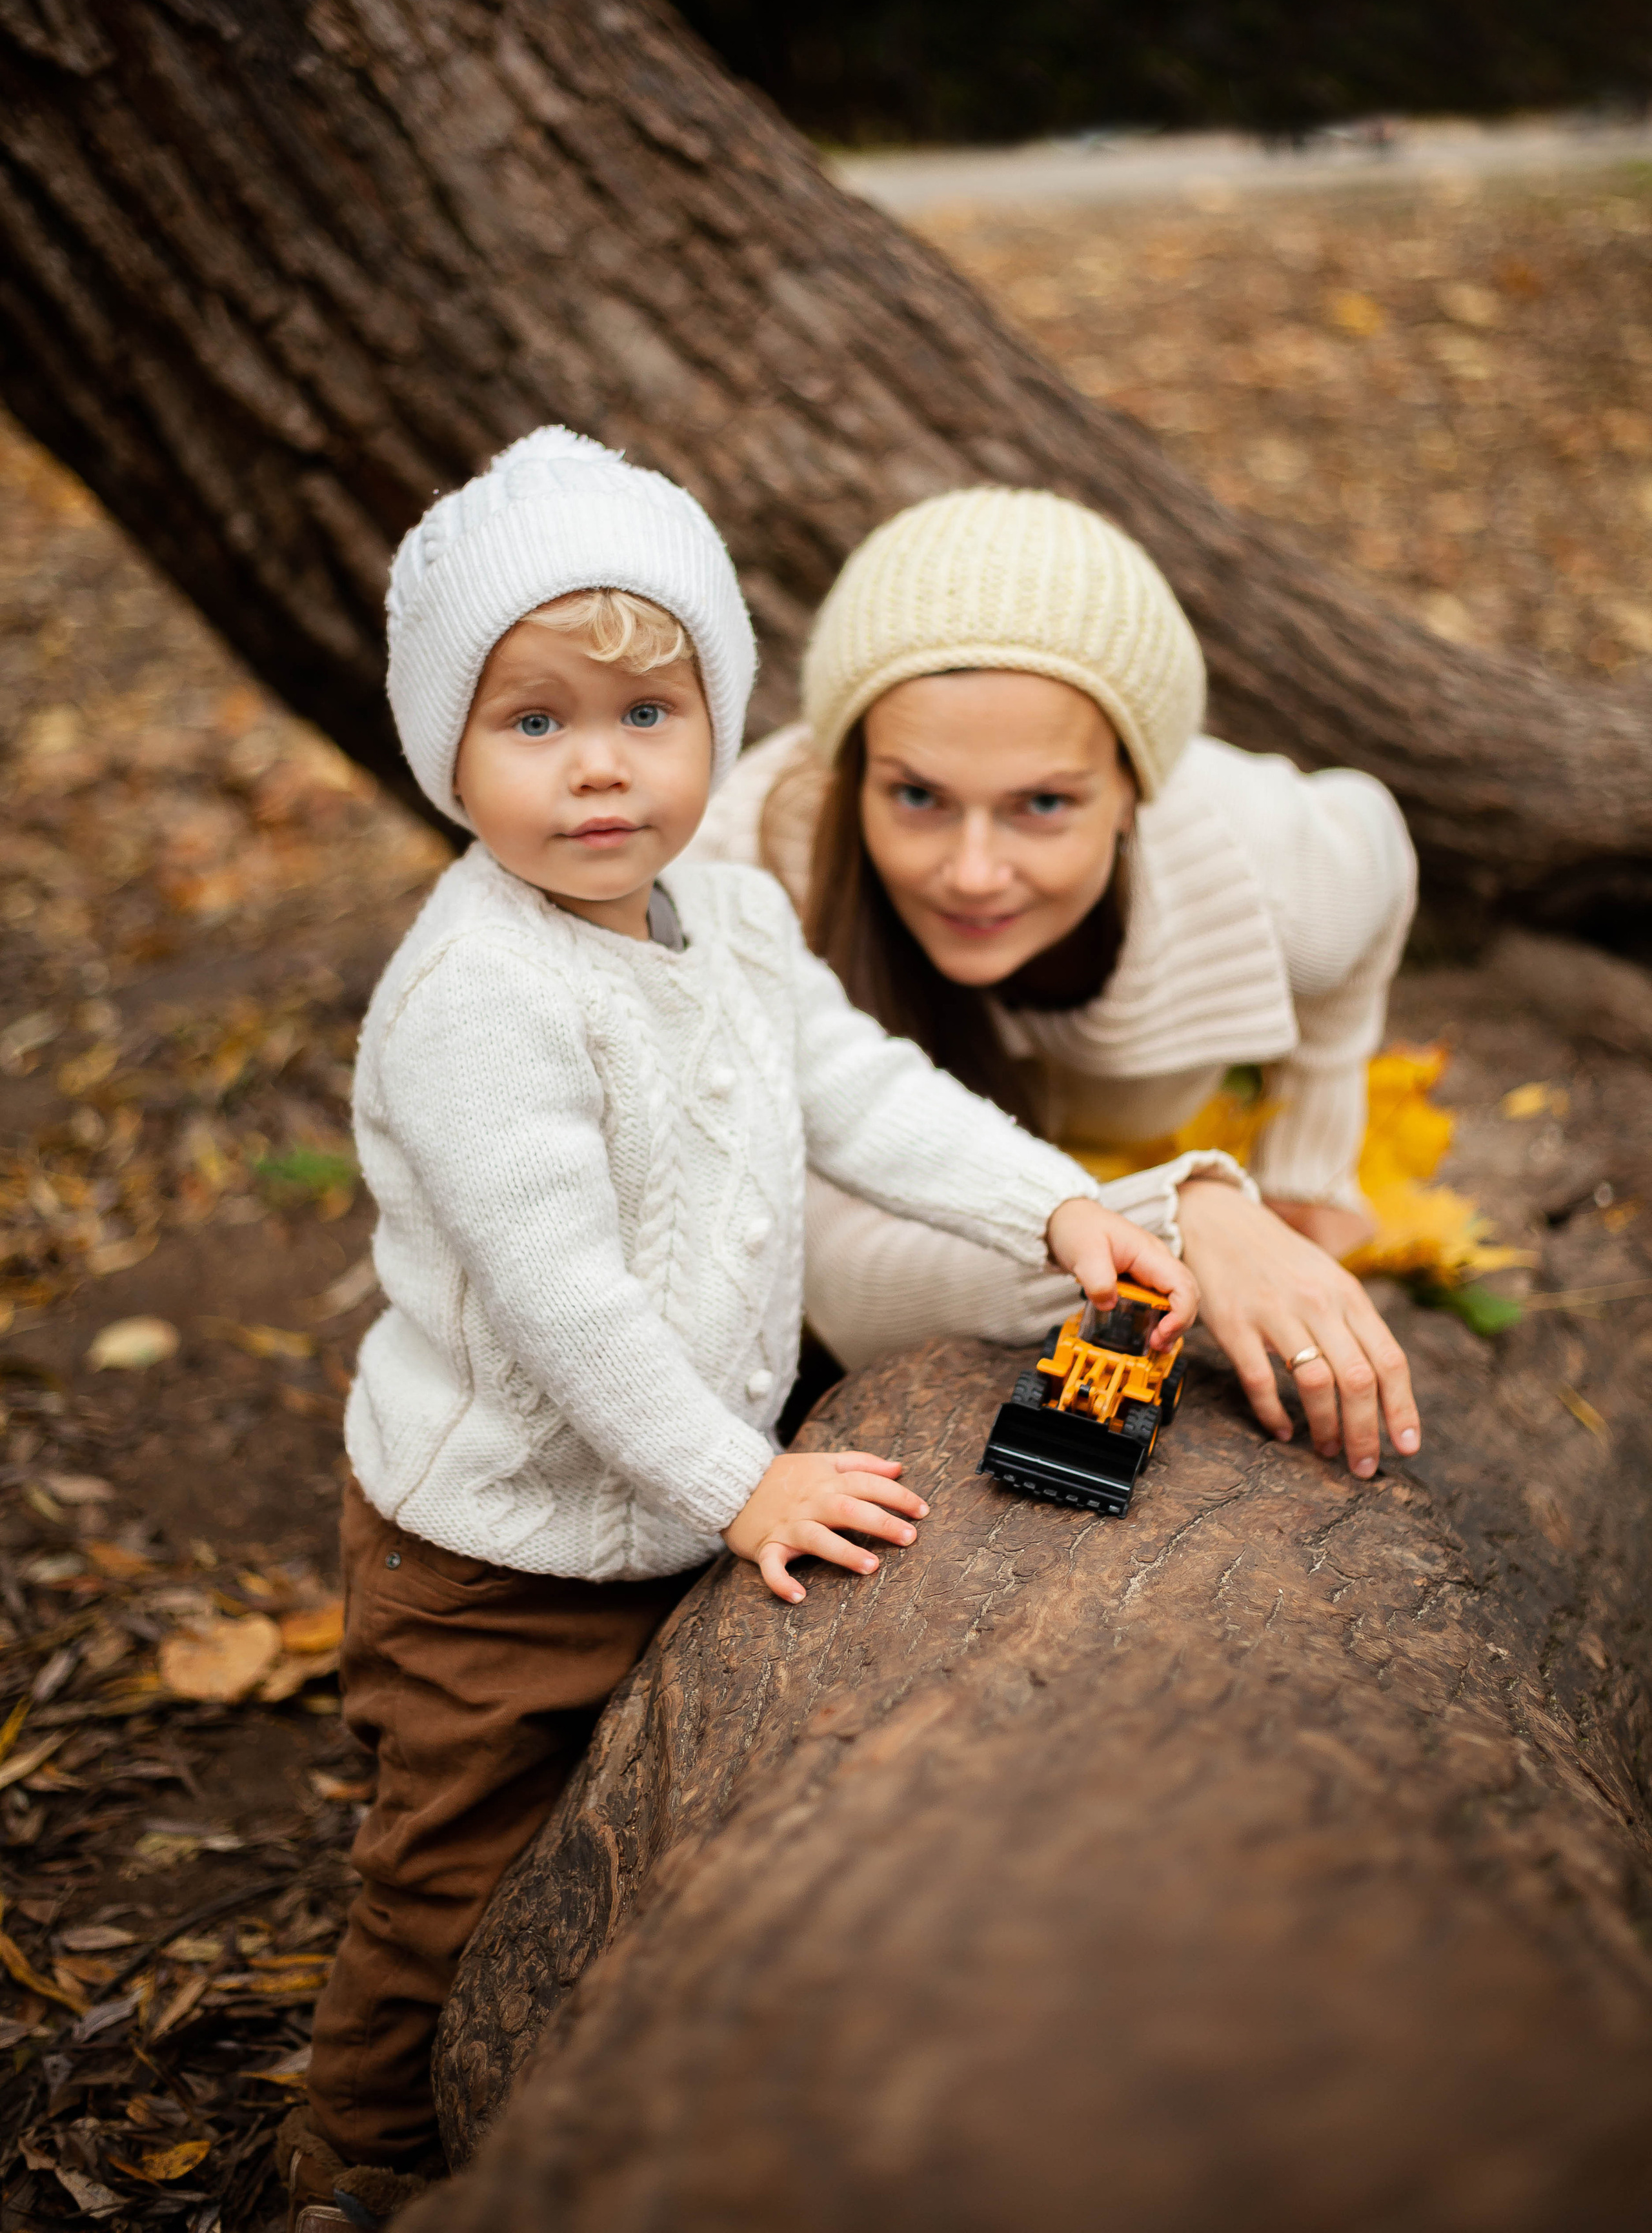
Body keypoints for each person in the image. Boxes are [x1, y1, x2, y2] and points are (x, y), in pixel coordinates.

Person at [278, 431, 1227, 2232]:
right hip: (502, 1545)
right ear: (441, 751)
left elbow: (854, 1087)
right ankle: (358, 2145)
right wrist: (746, 1484)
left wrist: (1054, 1204)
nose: (601, 772)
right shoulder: (479, 998)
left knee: (646, 1818)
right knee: (456, 1861)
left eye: (649, 712)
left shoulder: (720, 910)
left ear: (721, 725)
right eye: (532, 723)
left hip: (685, 1492)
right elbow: (567, 1310)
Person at [689, 485, 1422, 1483]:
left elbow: (1377, 848)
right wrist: (1183, 1221)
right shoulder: (740, 884)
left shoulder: (1279, 871)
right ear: (849, 773)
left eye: (1042, 803)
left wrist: (1308, 1164)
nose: (975, 871)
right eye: (917, 796)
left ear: (1133, 788)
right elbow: (848, 1278)